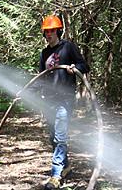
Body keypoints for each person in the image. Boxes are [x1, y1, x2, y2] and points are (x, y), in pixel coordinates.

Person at [36, 14, 89, 189]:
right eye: (46, 31)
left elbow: (84, 65)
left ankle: (56, 175)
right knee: (53, 137)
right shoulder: (45, 53)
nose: (49, 34)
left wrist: (75, 68)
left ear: (58, 31)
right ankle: (66, 166)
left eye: (52, 30)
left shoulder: (68, 47)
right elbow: (41, 78)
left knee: (60, 136)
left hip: (64, 100)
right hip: (48, 100)